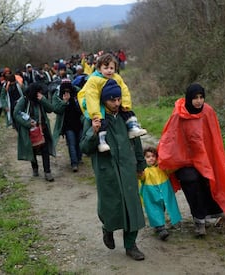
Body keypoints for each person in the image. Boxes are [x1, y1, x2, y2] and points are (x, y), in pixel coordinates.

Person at [157, 83, 225, 237]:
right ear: (189, 98)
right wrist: (166, 158)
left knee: (208, 179)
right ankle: (199, 220)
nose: (199, 101)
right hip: (183, 161)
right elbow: (170, 138)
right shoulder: (178, 114)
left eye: (201, 97)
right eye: (195, 98)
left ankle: (213, 213)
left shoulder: (208, 111)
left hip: (204, 158)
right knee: (190, 180)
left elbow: (213, 137)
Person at [80, 80, 146, 261]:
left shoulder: (126, 117)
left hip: (127, 168)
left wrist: (140, 165)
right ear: (103, 100)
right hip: (106, 170)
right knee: (110, 206)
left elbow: (137, 142)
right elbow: (84, 147)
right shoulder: (93, 119)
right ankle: (107, 229)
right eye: (112, 100)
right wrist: (94, 133)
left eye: (118, 99)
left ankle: (131, 245)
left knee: (132, 206)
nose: (116, 104)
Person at [77, 53, 147, 152]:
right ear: (99, 69)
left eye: (111, 68)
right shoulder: (94, 80)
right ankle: (102, 140)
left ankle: (133, 127)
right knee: (103, 122)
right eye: (106, 68)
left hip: (126, 165)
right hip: (96, 109)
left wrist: (126, 104)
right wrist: (94, 124)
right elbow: (92, 97)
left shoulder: (117, 78)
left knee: (129, 114)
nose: (109, 71)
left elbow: (124, 90)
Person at [13, 82, 56, 182]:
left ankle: (47, 171)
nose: (40, 93)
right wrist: (28, 123)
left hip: (42, 128)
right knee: (32, 150)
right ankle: (35, 167)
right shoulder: (24, 100)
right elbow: (16, 113)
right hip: (30, 131)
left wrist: (43, 100)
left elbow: (51, 109)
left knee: (45, 150)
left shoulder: (40, 99)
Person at [139, 146, 182, 241]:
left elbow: (169, 170)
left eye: (153, 156)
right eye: (148, 157)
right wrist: (139, 171)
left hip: (164, 192)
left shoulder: (161, 167)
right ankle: (160, 228)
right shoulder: (145, 171)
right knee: (154, 210)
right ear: (144, 159)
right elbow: (141, 177)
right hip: (151, 195)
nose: (151, 158)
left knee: (163, 207)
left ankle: (167, 222)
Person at [52, 79, 83, 172]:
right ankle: (74, 163)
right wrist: (64, 102)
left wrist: (75, 100)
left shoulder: (77, 92)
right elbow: (56, 109)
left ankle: (79, 158)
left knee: (80, 142)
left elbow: (84, 105)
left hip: (79, 122)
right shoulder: (57, 95)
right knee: (71, 144)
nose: (66, 91)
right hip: (68, 125)